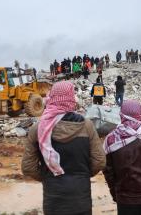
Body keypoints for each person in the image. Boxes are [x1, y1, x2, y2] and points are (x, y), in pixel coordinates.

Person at [22, 81, 106, 215]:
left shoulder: (38, 129)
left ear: (52, 98)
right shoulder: (87, 126)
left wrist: (47, 177)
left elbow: (28, 167)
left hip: (53, 202)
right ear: (72, 98)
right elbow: (100, 160)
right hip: (81, 200)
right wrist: (83, 175)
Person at [103, 100, 141, 215]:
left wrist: (115, 193)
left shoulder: (111, 139)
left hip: (124, 200)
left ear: (121, 115)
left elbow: (108, 172)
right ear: (140, 114)